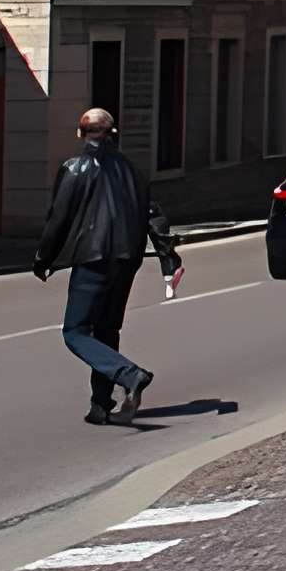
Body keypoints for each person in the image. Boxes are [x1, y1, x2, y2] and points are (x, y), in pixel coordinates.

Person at [34, 106, 181, 425]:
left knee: (75, 331)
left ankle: (129, 375)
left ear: (80, 133)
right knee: (106, 329)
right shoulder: (133, 170)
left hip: (93, 257)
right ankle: (100, 405)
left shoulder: (74, 168)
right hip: (127, 259)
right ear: (114, 133)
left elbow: (58, 219)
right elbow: (154, 216)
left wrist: (43, 258)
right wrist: (169, 258)